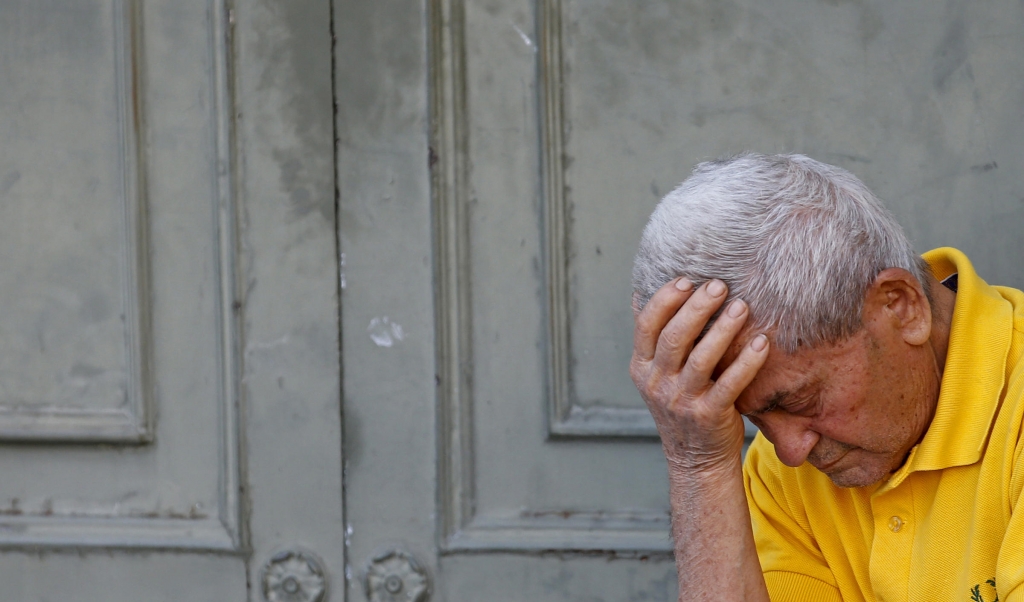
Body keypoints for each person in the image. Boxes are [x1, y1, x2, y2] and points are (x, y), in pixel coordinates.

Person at [629, 153, 1024, 602]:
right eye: (755, 417)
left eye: (800, 403)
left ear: (901, 306)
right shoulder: (778, 471)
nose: (790, 453)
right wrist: (698, 466)